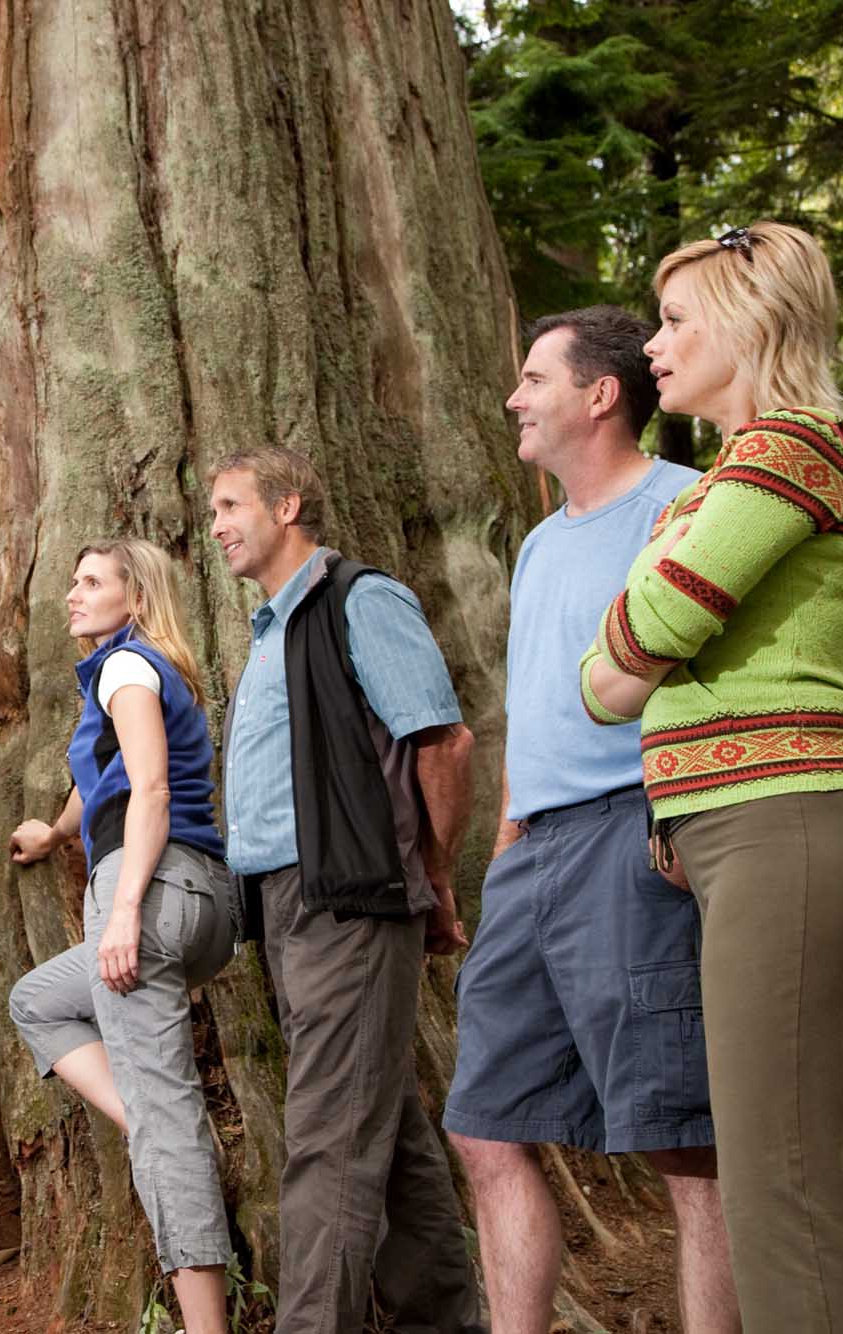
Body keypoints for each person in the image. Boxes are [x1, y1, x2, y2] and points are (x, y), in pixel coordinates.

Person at [581, 221, 843, 1331]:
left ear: (748, 325)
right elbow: (611, 679)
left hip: (780, 832)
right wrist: (628, 650)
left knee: (779, 1191)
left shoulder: (780, 454)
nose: (651, 345)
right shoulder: (767, 465)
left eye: (673, 320)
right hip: (784, 839)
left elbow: (636, 643)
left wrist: (636, 622)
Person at [443, 307, 738, 1334]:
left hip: (634, 838)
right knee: (484, 1126)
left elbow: (721, 681)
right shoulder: (536, 545)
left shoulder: (688, 506)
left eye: (534, 379)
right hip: (532, 854)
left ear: (599, 394)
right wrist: (505, 838)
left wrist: (678, 816)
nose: (514, 399)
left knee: (684, 1142)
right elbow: (532, 704)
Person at [208, 447, 482, 1334]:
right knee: (380, 1125)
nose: (216, 527)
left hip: (350, 901)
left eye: (230, 506)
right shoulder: (269, 632)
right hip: (284, 907)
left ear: (287, 506)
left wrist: (433, 873)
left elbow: (444, 743)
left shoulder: (359, 600)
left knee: (329, 1136)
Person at [6, 537, 238, 1334]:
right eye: (73, 581)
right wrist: (53, 833)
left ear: (134, 599)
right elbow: (105, 779)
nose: (73, 594)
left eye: (91, 582)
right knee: (37, 1000)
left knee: (167, 1126)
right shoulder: (144, 670)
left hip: (149, 888)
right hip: (204, 903)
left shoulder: (125, 667)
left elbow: (151, 788)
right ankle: (153, 1116)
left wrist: (128, 906)